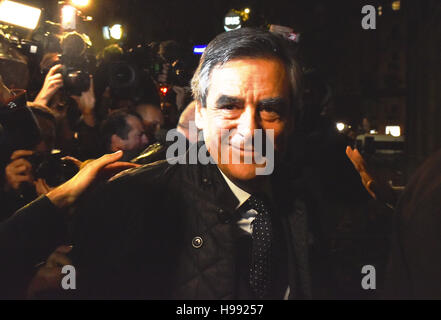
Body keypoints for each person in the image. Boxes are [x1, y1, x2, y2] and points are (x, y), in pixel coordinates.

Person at [66, 28, 310, 299]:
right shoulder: (129, 203)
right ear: (200, 114)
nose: (249, 129)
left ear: (292, 120)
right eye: (230, 107)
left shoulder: (321, 206)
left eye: (270, 109)